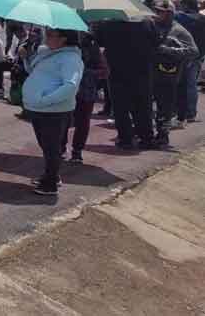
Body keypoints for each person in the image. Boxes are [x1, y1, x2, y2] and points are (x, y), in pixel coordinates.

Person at [21, 27, 83, 197]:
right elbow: (34, 72)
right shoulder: (47, 52)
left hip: (53, 110)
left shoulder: (71, 58)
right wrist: (26, 57)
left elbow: (71, 86)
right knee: (47, 146)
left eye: (50, 35)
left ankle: (50, 183)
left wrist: (45, 100)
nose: (45, 38)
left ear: (63, 38)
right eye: (46, 34)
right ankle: (52, 176)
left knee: (51, 147)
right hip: (39, 108)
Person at [96, 17, 158, 149]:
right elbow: (156, 42)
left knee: (120, 107)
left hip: (117, 69)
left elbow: (99, 41)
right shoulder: (147, 23)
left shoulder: (108, 23)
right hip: (142, 70)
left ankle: (126, 139)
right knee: (143, 106)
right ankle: (146, 138)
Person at [151, 0, 198, 140]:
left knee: (165, 108)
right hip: (149, 72)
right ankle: (145, 132)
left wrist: (168, 50)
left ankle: (163, 135)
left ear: (170, 14)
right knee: (145, 104)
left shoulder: (179, 31)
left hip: (168, 74)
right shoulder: (152, 25)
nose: (158, 14)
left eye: (162, 12)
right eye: (157, 11)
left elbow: (193, 52)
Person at [62, 29, 107, 164]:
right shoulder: (65, 45)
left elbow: (104, 71)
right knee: (63, 120)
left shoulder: (92, 46)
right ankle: (60, 148)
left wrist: (85, 72)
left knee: (82, 122)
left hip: (86, 91)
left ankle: (77, 151)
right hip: (66, 90)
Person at [174, 0, 205, 124]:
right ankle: (191, 113)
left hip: (181, 55)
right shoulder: (202, 19)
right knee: (191, 85)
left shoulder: (179, 18)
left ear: (186, 5)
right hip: (196, 56)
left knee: (178, 84)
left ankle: (178, 111)